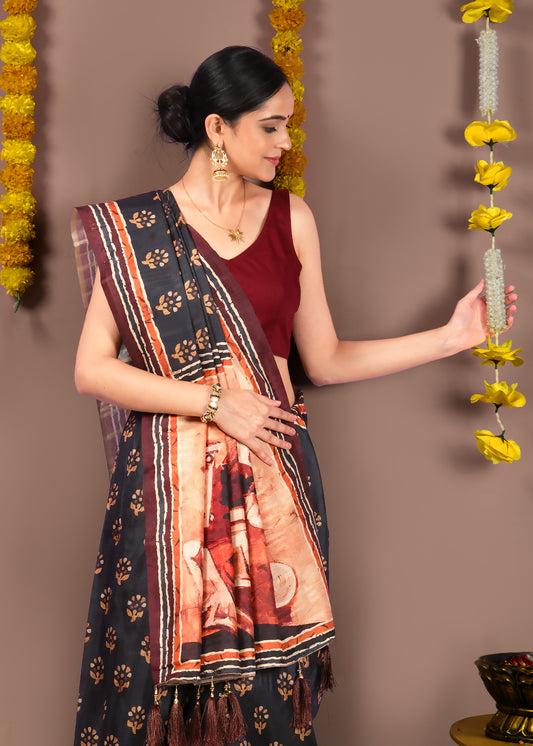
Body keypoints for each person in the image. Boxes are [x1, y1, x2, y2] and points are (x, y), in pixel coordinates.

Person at [71, 46, 517, 746]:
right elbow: (93, 369)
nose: (285, 143)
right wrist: (216, 405)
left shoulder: (290, 218)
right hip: (164, 502)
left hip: (276, 487)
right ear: (217, 128)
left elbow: (326, 359)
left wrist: (450, 338)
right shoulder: (137, 230)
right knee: (154, 693)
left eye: (288, 126)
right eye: (270, 127)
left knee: (270, 699)